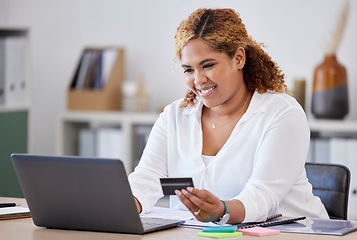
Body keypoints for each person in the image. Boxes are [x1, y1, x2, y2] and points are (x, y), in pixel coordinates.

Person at [128, 8, 329, 224]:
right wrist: (123, 204)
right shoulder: (174, 117)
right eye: (188, 70)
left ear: (239, 58)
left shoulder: (281, 113)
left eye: (208, 65)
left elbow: (262, 197)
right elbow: (146, 178)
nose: (198, 79)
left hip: (294, 234)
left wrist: (222, 211)